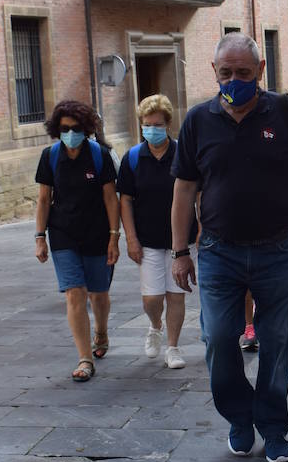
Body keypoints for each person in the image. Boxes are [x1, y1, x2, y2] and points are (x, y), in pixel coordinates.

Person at [170, 33, 288, 462]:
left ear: (259, 71)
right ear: (214, 72)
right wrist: (179, 250)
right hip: (219, 252)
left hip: (279, 250)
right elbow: (184, 189)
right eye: (226, 73)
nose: (234, 80)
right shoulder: (198, 120)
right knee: (219, 338)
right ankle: (240, 417)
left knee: (276, 341)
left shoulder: (285, 111)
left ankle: (274, 427)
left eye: (243, 72)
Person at [34, 99, 120, 381]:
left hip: (96, 233)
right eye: (64, 128)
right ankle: (85, 358)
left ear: (86, 129)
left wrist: (114, 237)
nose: (70, 133)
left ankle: (102, 332)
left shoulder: (99, 156)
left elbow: (111, 198)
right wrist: (40, 237)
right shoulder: (50, 157)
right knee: (75, 292)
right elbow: (44, 199)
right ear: (57, 130)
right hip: (63, 234)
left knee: (99, 293)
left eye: (76, 128)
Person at [117, 94, 196, 370]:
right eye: (147, 124)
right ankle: (155, 325)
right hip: (147, 238)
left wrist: (200, 228)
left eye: (157, 124)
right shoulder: (133, 159)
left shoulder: (182, 154)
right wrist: (130, 238)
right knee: (152, 298)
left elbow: (196, 192)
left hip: (180, 239)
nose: (151, 129)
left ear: (168, 124)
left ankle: (173, 347)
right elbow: (125, 199)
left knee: (176, 293)